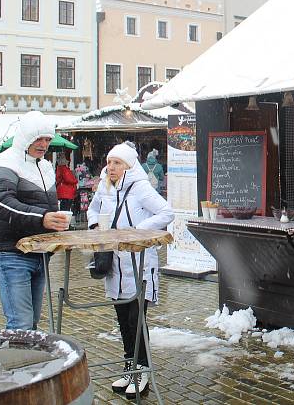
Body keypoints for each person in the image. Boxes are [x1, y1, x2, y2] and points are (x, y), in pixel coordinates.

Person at [87, 142, 173, 398]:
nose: (111, 167)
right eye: (109, 162)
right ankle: (130, 366)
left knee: (137, 320)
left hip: (138, 263)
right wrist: (95, 227)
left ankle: (142, 370)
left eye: (117, 163)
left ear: (128, 166)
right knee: (123, 320)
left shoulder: (140, 187)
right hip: (114, 264)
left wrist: (137, 232)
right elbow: (93, 210)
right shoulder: (104, 186)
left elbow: (166, 212)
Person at [0, 111, 71, 330]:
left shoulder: (44, 166)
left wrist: (56, 223)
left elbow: (48, 205)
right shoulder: (3, 163)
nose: (44, 144)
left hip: (40, 253)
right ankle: (17, 364)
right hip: (11, 253)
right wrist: (43, 218)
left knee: (31, 323)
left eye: (47, 139)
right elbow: (1, 202)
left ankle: (31, 364)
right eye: (38, 139)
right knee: (20, 324)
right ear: (25, 137)